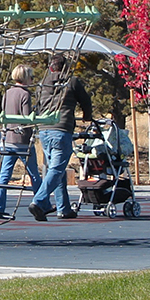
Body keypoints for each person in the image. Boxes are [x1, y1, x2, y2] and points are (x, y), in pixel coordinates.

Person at [27, 52, 93, 221]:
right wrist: (87, 115)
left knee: (56, 170)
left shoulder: (42, 83)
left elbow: (39, 105)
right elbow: (85, 100)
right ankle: (39, 201)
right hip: (62, 128)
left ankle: (63, 207)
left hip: (44, 130)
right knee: (56, 169)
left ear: (50, 67)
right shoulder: (72, 81)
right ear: (65, 67)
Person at [0, 64, 43, 218]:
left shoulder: (8, 93)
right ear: (26, 78)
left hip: (9, 139)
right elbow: (25, 118)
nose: (32, 80)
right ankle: (41, 203)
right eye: (31, 77)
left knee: (4, 175)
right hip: (23, 141)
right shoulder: (25, 94)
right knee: (34, 174)